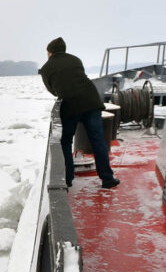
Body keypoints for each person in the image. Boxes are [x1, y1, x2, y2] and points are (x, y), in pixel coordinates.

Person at [38, 37, 120, 189]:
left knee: (66, 142)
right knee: (98, 141)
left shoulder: (46, 68)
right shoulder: (75, 60)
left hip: (70, 106)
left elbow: (53, 90)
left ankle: (67, 179)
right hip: (91, 101)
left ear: (49, 52)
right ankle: (107, 178)